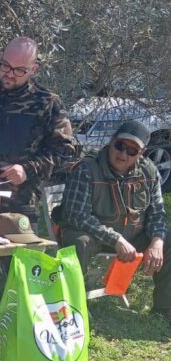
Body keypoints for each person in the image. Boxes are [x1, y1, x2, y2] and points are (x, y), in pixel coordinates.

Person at [59, 119, 170, 322]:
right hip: (93, 234)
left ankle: (164, 310)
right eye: (119, 145)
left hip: (132, 235)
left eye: (132, 150)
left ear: (142, 153)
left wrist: (157, 241)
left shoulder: (150, 172)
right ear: (111, 141)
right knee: (79, 242)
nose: (123, 154)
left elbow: (157, 213)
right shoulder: (86, 169)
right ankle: (70, 306)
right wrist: (116, 239)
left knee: (166, 240)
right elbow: (77, 215)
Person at [0, 36, 77, 221]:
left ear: (33, 69)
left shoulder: (47, 103)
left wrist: (28, 169)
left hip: (20, 205)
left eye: (19, 70)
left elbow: (64, 151)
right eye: (5, 66)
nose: (9, 74)